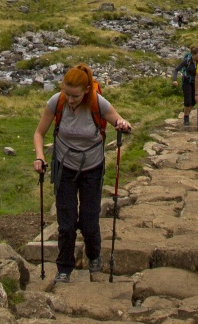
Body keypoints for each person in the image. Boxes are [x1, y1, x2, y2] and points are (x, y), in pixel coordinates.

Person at [34, 65, 133, 284]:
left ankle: (94, 254)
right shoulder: (56, 102)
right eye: (66, 94)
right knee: (66, 223)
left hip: (92, 169)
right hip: (64, 168)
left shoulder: (98, 103)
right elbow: (39, 133)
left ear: (87, 90)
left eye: (75, 96)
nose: (70, 100)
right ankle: (64, 267)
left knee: (89, 222)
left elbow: (120, 121)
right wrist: (40, 157)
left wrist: (121, 124)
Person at [176, 47, 198, 125]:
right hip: (186, 81)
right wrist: (174, 80)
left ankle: (187, 111)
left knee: (194, 100)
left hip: (196, 82)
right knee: (188, 100)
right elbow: (176, 69)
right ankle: (186, 117)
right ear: (193, 54)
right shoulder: (187, 61)